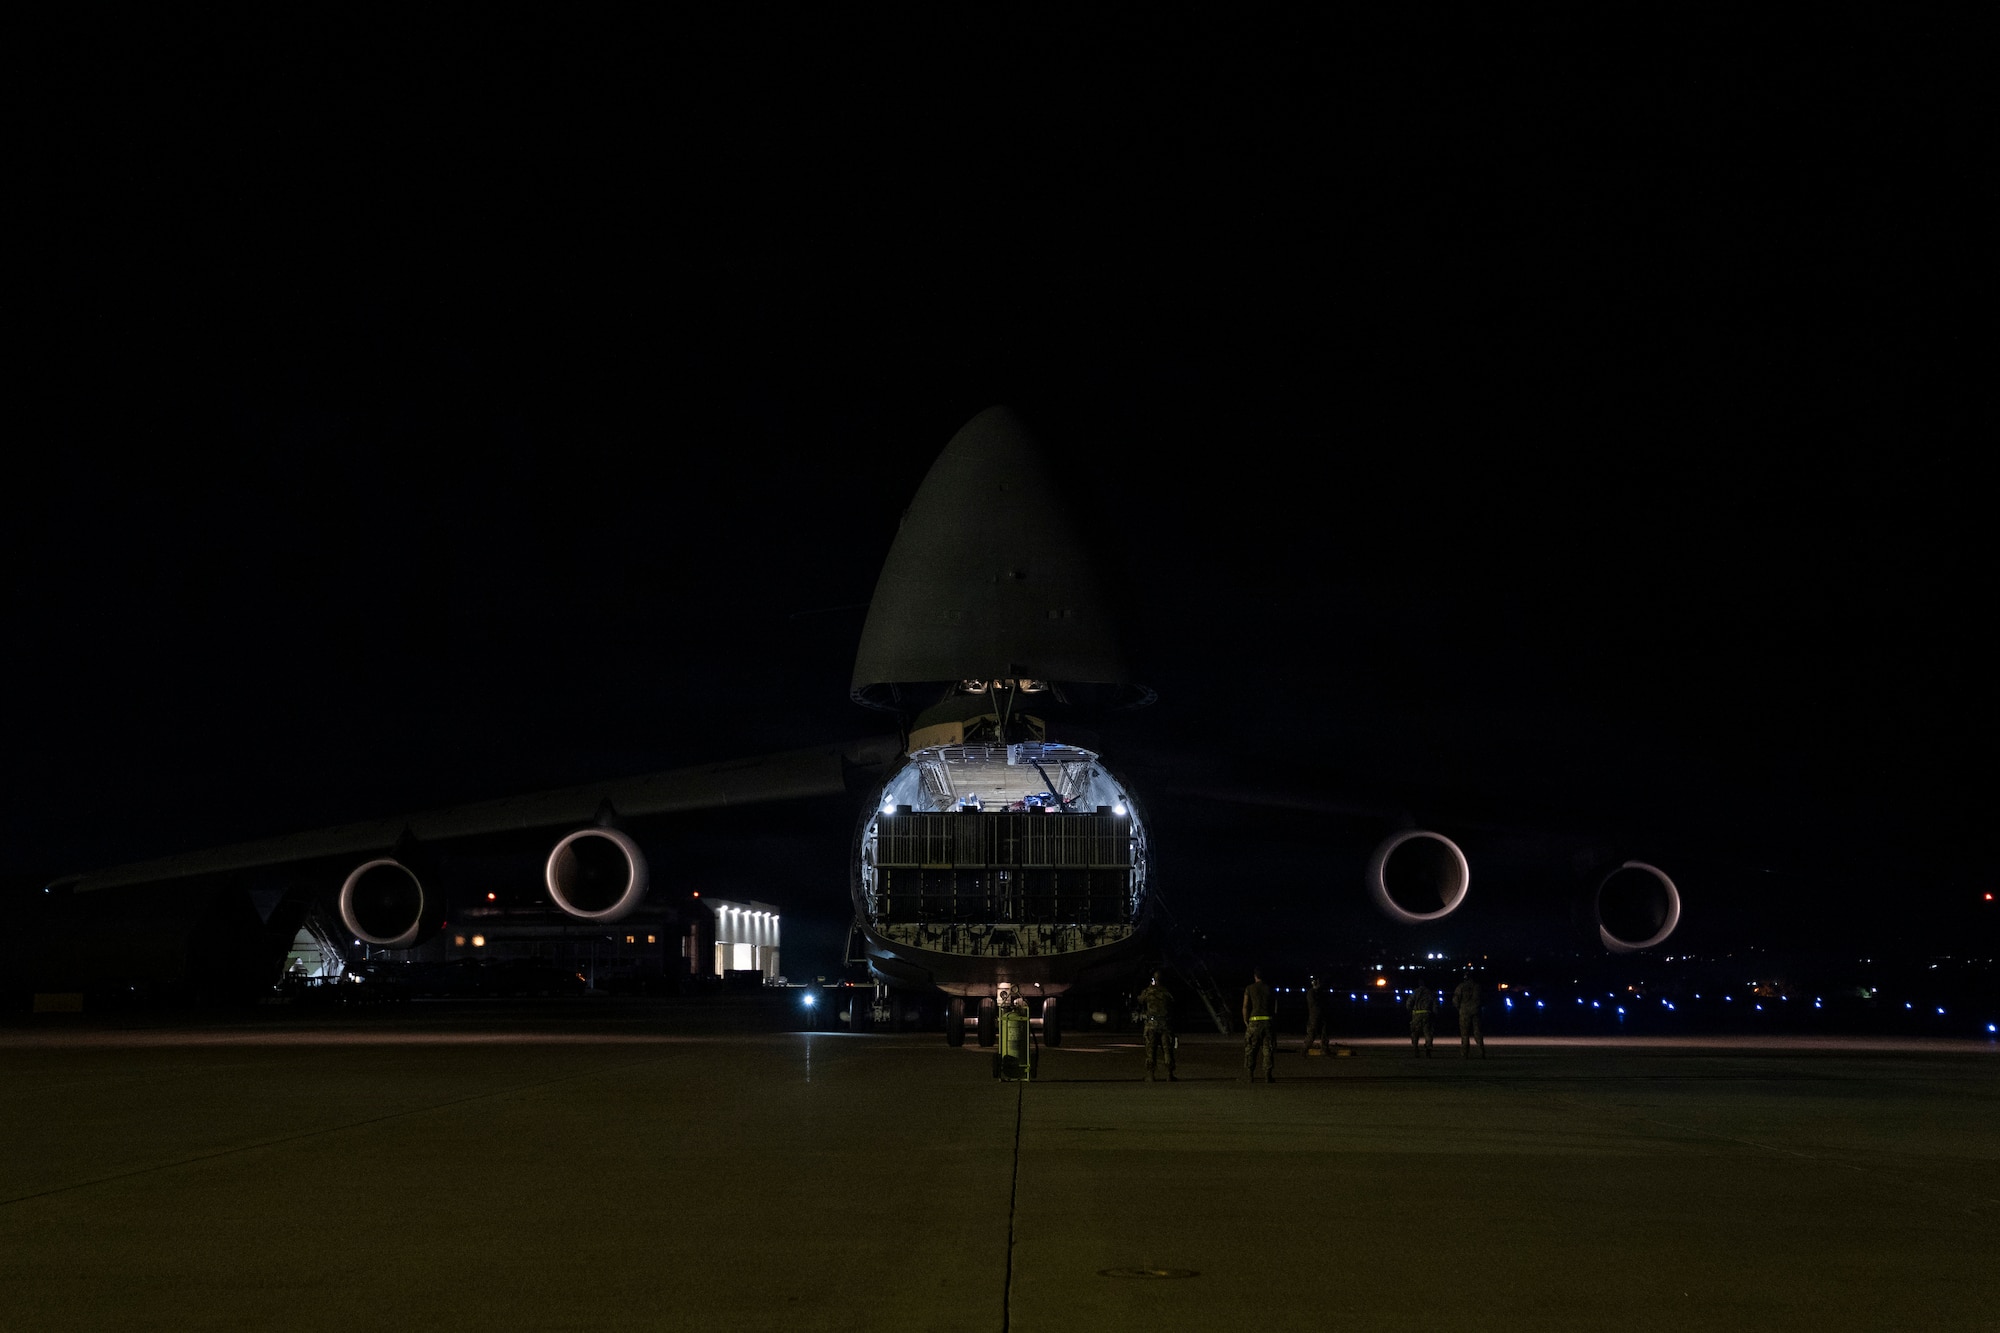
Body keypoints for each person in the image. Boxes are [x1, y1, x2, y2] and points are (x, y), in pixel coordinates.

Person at [1136, 971, 1177, 1081]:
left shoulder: (1148, 991)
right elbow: (1173, 1004)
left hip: (1151, 1024)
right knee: (1167, 1050)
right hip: (1165, 1024)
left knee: (1150, 1050)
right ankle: (1169, 1074)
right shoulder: (1167, 992)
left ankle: (1151, 1075)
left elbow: (1140, 1000)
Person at [1242, 967, 1277, 1081]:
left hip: (1254, 1020)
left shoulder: (1249, 988)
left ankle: (1250, 1075)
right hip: (1267, 1020)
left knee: (1251, 1049)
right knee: (1268, 1049)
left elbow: (1246, 1006)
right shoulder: (1270, 988)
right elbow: (1275, 1006)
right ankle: (1267, 1075)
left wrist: (1245, 1019)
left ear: (1255, 976)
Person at [1453, 971, 1485, 1058]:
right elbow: (1482, 999)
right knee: (1478, 1032)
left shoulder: (1461, 987)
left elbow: (1455, 1000)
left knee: (1464, 1034)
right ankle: (1481, 1051)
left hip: (1464, 1011)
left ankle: (1464, 1053)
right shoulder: (1477, 986)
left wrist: (1459, 1008)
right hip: (1476, 1011)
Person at [1406, 981, 1437, 1057]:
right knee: (1428, 1032)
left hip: (1416, 1013)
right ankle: (1428, 1048)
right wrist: (1434, 1013)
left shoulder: (1415, 992)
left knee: (1415, 1033)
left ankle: (1416, 1050)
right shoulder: (1429, 993)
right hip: (1427, 1013)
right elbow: (1434, 1004)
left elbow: (1409, 1002)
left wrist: (1410, 1011)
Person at [1302, 974, 1331, 1054]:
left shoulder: (1320, 992)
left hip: (1321, 1015)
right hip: (1314, 1016)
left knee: (1324, 1033)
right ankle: (1305, 1048)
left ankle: (1325, 1049)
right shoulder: (1311, 993)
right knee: (1312, 1033)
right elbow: (1314, 1005)